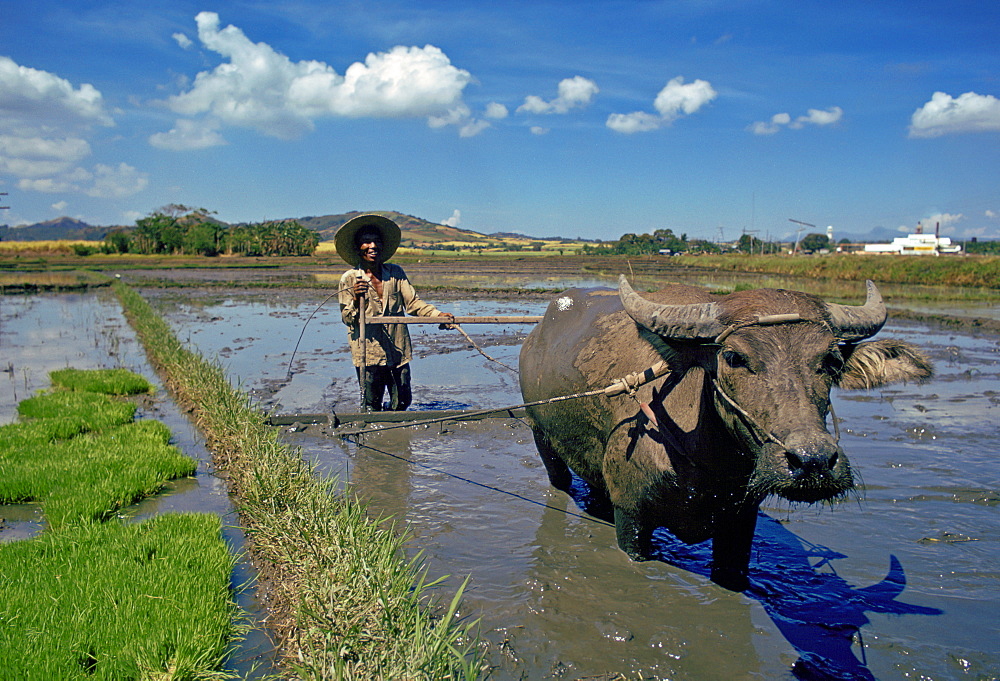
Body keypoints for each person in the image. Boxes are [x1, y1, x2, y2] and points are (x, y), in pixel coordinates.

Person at [336, 214, 454, 412]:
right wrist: (356, 298)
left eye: (376, 241)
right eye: (366, 241)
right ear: (358, 248)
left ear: (382, 246)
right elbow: (347, 318)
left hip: (397, 349)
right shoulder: (350, 279)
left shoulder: (395, 273)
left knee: (402, 402)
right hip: (368, 351)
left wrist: (438, 315)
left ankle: (396, 436)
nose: (372, 245)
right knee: (371, 406)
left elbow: (414, 303)